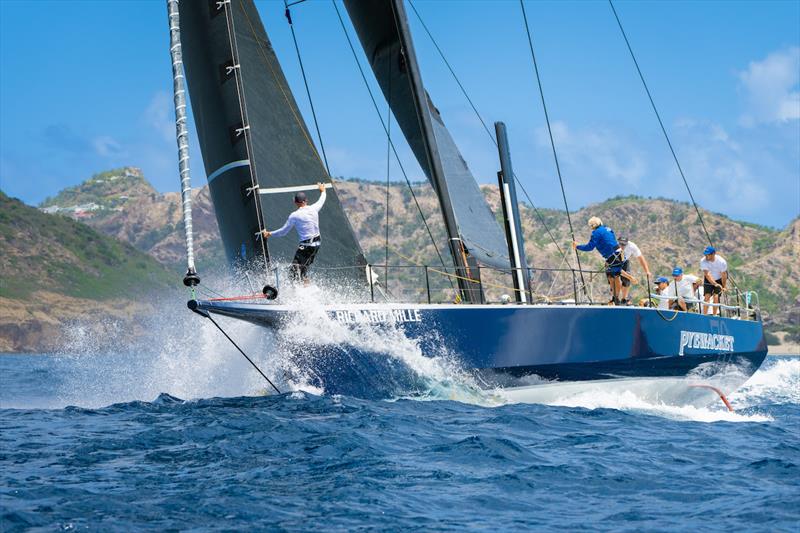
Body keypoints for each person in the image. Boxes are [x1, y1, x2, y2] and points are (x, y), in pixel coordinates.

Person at [261, 183, 326, 285]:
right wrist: (323, 191)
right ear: (306, 201)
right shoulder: (314, 208)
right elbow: (322, 200)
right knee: (303, 270)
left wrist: (269, 234)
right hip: (316, 245)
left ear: (295, 202)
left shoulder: (295, 215)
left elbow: (283, 232)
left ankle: (299, 292)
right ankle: (307, 288)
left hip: (306, 247)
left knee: (293, 274)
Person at [572, 216, 625, 305]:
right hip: (618, 254)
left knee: (614, 277)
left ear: (592, 226)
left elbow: (590, 247)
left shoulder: (595, 233)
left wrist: (577, 246)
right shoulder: (608, 229)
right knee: (612, 277)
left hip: (612, 256)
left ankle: (616, 299)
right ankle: (615, 298)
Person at [618, 237, 651, 305]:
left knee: (626, 280)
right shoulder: (614, 247)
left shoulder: (632, 246)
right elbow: (617, 268)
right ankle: (614, 298)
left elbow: (641, 258)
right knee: (614, 279)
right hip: (613, 262)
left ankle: (624, 299)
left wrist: (647, 271)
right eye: (621, 244)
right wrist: (631, 277)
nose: (622, 246)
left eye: (624, 244)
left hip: (624, 261)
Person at [700, 246, 727, 315]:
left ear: (713, 254)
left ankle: (714, 315)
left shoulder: (721, 262)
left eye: (708, 254)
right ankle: (704, 315)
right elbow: (707, 274)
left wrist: (724, 286)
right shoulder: (703, 261)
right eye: (705, 254)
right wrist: (714, 284)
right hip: (708, 279)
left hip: (719, 279)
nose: (706, 256)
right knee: (707, 296)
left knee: (716, 297)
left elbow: (724, 275)